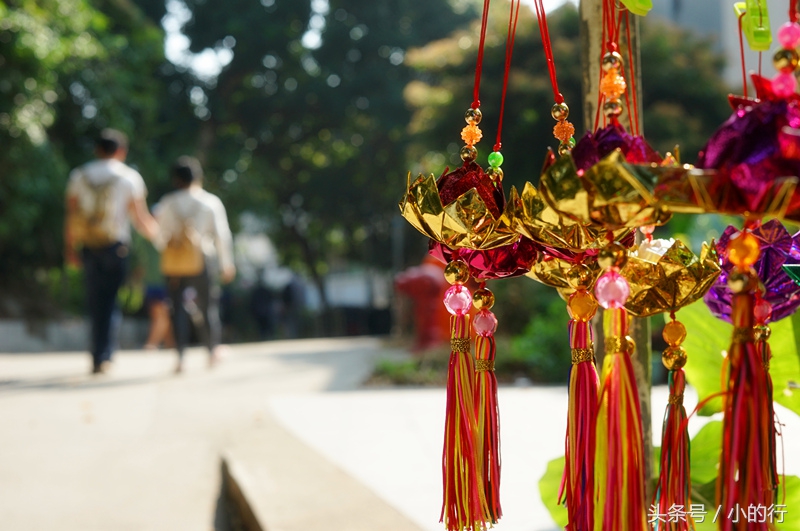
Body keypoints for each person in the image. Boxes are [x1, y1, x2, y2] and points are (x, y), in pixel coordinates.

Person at [64, 128, 160, 374]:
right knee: (110, 302)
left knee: (94, 301)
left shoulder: (79, 175)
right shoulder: (129, 177)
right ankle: (105, 355)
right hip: (116, 246)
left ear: (97, 150)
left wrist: (70, 249)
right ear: (121, 151)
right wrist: (161, 237)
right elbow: (140, 219)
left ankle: (96, 354)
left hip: (88, 246)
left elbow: (72, 216)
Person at [154, 156, 235, 373]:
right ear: (198, 176)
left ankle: (180, 357)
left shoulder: (168, 202)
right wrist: (227, 263)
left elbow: (159, 236)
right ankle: (211, 352)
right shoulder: (209, 202)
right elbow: (222, 236)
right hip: (202, 258)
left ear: (175, 179)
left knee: (177, 309)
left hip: (175, 262)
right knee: (208, 307)